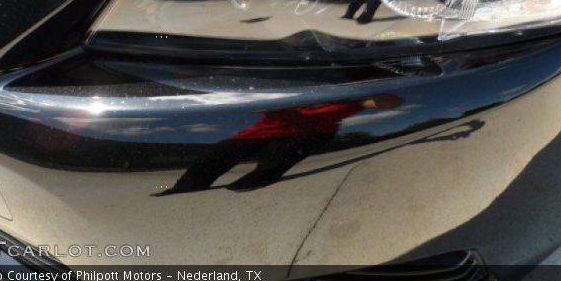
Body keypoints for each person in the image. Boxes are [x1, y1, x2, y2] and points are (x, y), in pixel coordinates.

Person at [157, 94, 402, 194]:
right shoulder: (290, 94)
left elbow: (388, 102)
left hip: (307, 136)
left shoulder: (348, 100)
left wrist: (369, 94)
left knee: (272, 164)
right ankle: (184, 190)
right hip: (263, 131)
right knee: (214, 157)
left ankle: (244, 189)